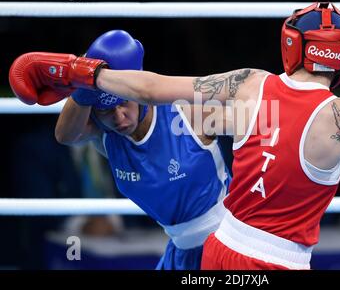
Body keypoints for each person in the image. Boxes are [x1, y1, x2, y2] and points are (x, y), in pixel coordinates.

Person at [9, 2, 340, 269]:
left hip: (220, 244)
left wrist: (86, 73)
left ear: (291, 44)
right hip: (242, 254)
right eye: (107, 107)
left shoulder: (227, 99)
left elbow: (154, 89)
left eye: (122, 103)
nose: (120, 113)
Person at [16, 29, 231, 270]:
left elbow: (261, 119)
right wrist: (82, 77)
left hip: (228, 242)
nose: (119, 118)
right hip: (180, 249)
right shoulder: (106, 135)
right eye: (107, 111)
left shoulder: (187, 112)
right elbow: (64, 135)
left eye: (124, 104)